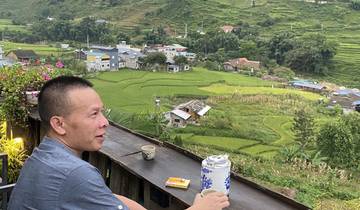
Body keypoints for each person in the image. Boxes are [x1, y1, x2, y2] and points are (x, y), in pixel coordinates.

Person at [8, 76, 229, 210]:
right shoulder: (75, 172)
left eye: (102, 112)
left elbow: (106, 198)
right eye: (93, 114)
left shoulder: (42, 156)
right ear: (59, 124)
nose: (105, 122)